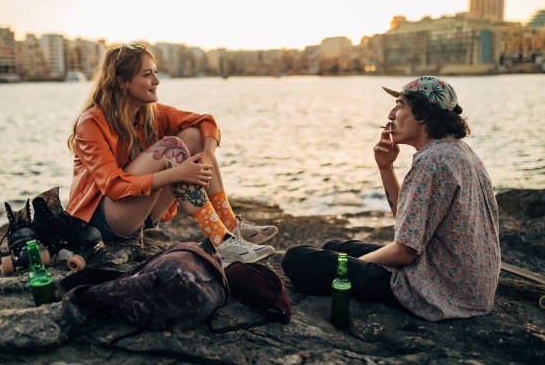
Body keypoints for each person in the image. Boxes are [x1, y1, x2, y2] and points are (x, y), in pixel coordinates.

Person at [282, 76, 501, 321]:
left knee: (297, 257)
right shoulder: (458, 151)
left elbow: (405, 252)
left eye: (399, 105)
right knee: (333, 248)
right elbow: (409, 228)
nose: (390, 114)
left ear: (423, 114)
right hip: (463, 284)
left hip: (439, 291)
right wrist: (386, 169)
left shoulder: (431, 162)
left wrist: (351, 269)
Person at [65, 43, 278, 266]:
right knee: (171, 147)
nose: (157, 81)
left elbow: (206, 122)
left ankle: (230, 225)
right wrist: (177, 174)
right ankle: (222, 242)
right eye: (147, 75)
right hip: (101, 221)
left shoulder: (150, 113)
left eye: (155, 73)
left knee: (194, 136)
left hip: (142, 215)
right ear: (121, 81)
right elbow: (114, 186)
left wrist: (207, 153)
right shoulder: (91, 123)